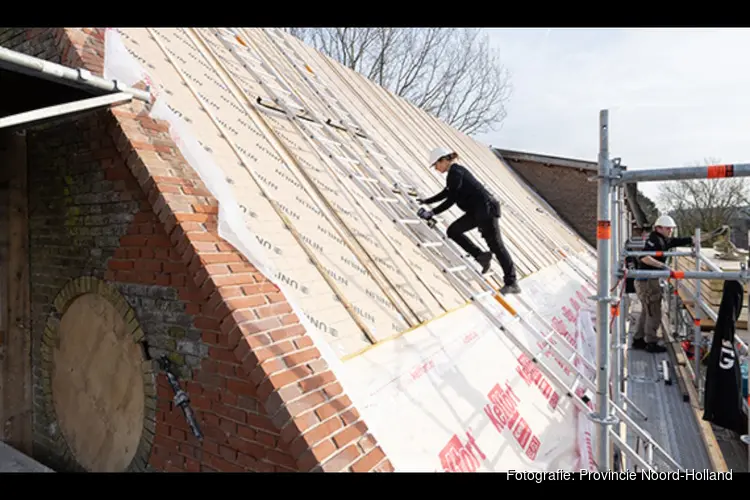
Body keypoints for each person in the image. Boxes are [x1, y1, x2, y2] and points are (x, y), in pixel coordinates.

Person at [416, 147, 520, 295]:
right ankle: (480, 256)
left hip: (486, 210)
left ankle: (512, 282)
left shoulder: (455, 172)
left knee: (496, 245)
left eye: (436, 165)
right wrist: (427, 201)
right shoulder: (454, 173)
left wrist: (432, 212)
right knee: (453, 231)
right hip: (477, 212)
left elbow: (451, 199)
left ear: (443, 160)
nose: (436, 169)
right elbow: (447, 192)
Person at [633, 215, 717, 353]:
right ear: (658, 228)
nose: (670, 231)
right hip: (647, 282)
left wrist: (702, 237)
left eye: (671, 229)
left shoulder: (663, 239)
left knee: (647, 311)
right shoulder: (655, 240)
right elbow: (644, 257)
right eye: (667, 229)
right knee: (654, 312)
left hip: (647, 281)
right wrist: (663, 266)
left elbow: (680, 240)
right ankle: (651, 342)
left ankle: (639, 339)